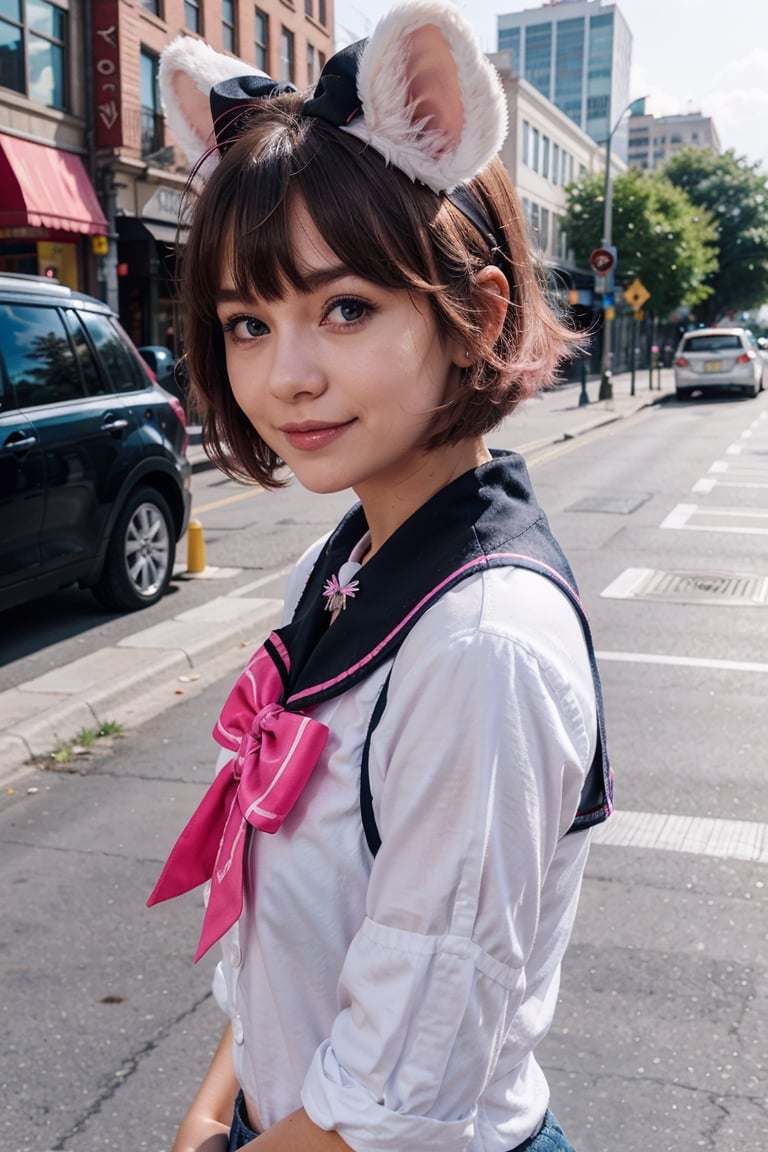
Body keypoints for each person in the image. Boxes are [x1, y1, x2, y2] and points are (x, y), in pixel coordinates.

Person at [148, 4, 612, 1150]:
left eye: (346, 308)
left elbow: (402, 1089)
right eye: (248, 322)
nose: (287, 375)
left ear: (472, 318)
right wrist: (220, 1104)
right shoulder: (343, 561)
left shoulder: (480, 647)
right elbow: (310, 950)